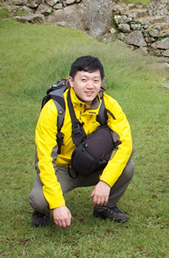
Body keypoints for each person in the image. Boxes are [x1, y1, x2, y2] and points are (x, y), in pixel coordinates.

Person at [29, 55, 134, 227]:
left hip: (93, 164)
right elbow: (44, 159)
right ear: (71, 81)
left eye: (95, 80)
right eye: (83, 79)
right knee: (40, 200)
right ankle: (42, 212)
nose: (90, 86)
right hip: (62, 169)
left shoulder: (109, 105)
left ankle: (104, 208)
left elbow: (126, 144)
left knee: (127, 166)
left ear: (101, 82)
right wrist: (57, 204)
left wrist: (106, 181)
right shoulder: (53, 109)